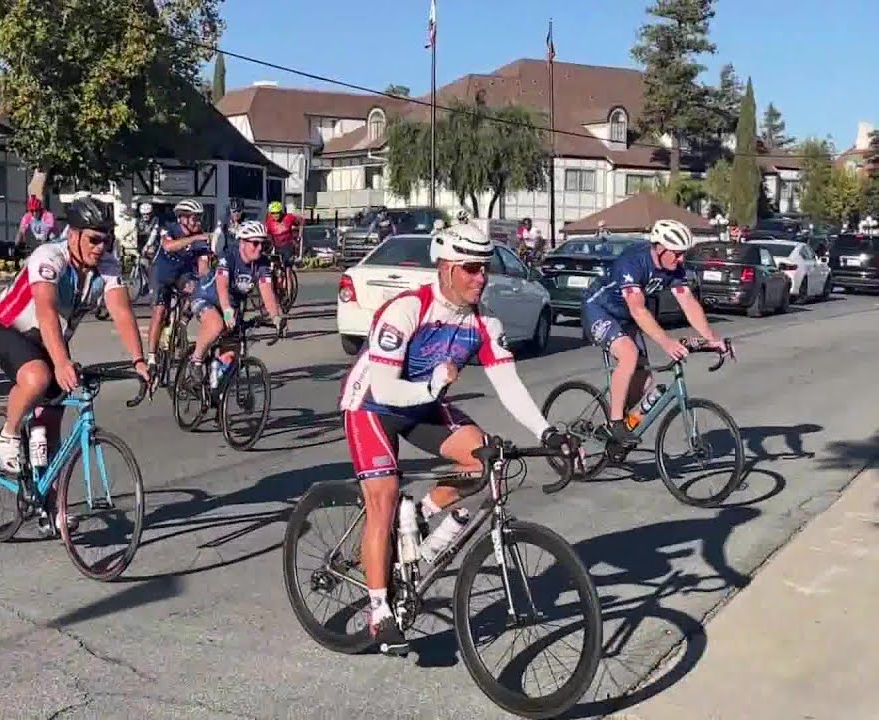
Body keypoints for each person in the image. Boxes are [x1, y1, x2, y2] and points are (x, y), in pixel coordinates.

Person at [338, 222, 579, 656]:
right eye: (470, 268)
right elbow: (387, 389)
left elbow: (508, 385)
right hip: (372, 405)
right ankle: (378, 612)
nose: (480, 277)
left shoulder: (484, 323)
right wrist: (432, 386)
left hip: (423, 404)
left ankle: (423, 513)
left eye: (484, 268)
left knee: (486, 459)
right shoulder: (407, 310)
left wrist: (547, 432)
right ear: (446, 268)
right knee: (385, 496)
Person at [0, 196, 151, 474]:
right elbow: (46, 310)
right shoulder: (49, 257)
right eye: (94, 240)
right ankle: (9, 432)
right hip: (8, 329)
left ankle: (50, 508)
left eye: (106, 241)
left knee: (51, 430)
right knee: (39, 377)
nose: (100, 248)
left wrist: (138, 361)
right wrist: (61, 362)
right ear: (73, 235)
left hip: (49, 340)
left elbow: (121, 312)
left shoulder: (106, 266)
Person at [581, 219, 724, 446]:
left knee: (645, 381)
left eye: (683, 254)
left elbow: (687, 301)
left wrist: (712, 338)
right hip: (599, 310)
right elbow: (638, 309)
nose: (681, 260)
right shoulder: (632, 262)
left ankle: (612, 426)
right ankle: (615, 423)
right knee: (629, 354)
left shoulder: (674, 268)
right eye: (677, 254)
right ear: (660, 248)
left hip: (626, 318)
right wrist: (666, 343)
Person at [185, 220, 287, 386]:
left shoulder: (262, 264)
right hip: (206, 296)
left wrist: (276, 317)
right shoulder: (229, 256)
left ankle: (215, 384)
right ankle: (196, 360)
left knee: (233, 353)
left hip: (232, 304)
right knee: (216, 325)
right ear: (242, 243)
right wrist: (226, 310)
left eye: (263, 244)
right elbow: (222, 285)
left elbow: (267, 290)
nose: (260, 248)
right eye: (255, 243)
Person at [145, 199, 212, 372]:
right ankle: (152, 357)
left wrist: (206, 280)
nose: (198, 222)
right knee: (159, 312)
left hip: (183, 275)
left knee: (196, 289)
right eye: (194, 218)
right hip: (163, 274)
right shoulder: (170, 229)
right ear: (182, 219)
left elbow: (203, 266)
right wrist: (195, 237)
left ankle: (182, 321)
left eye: (199, 218)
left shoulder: (200, 238)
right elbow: (168, 246)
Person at [264, 200, 302, 268]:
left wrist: (299, 236)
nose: (275, 215)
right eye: (273, 213)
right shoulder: (269, 222)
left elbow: (301, 222)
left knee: (287, 266)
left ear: (281, 212)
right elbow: (267, 235)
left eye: (277, 213)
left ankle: (288, 277)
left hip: (288, 246)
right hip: (276, 247)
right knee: (275, 267)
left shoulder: (289, 217)